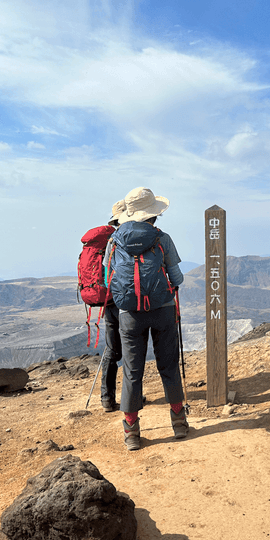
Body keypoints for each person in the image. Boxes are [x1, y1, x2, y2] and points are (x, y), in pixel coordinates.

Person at [105, 187, 188, 450]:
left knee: (132, 371)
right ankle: (179, 423)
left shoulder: (114, 240)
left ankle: (132, 433)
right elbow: (176, 278)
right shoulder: (162, 239)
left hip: (129, 314)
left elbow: (109, 278)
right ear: (154, 214)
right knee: (168, 365)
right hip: (163, 309)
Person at [98, 200, 126, 412]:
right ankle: (130, 398)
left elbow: (107, 277)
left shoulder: (110, 241)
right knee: (133, 349)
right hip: (128, 303)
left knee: (111, 350)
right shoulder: (129, 241)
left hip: (110, 302)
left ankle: (107, 399)